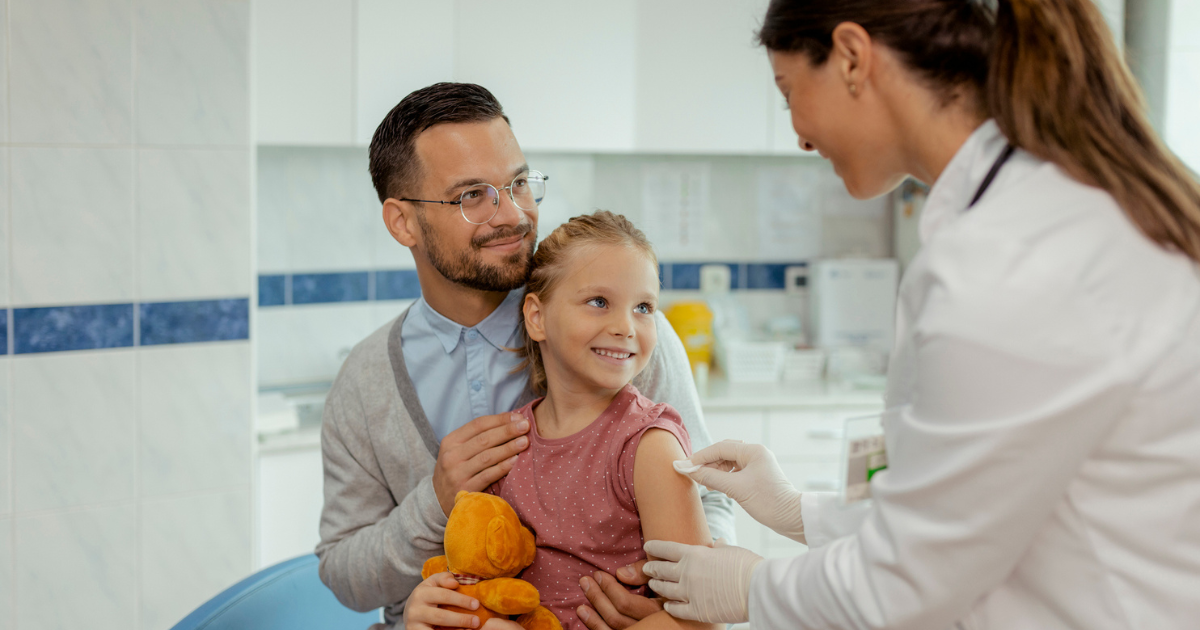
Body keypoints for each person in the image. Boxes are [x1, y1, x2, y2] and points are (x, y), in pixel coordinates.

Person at [640, 0, 1200, 629]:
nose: (798, 132)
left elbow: (908, 584)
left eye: (788, 91)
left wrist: (754, 585)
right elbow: (971, 501)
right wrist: (800, 511)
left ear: (852, 58)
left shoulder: (1010, 259)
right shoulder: (1039, 215)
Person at [314, 83, 735, 630]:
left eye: (517, 184)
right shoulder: (366, 381)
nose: (512, 214)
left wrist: (675, 602)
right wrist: (437, 502)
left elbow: (711, 509)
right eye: (472, 196)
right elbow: (344, 575)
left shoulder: (616, 338)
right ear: (403, 222)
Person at [414, 210, 717, 630]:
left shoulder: (649, 447)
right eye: (599, 302)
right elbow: (486, 578)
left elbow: (704, 618)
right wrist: (437, 607)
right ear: (537, 317)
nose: (626, 327)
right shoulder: (510, 444)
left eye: (644, 307)